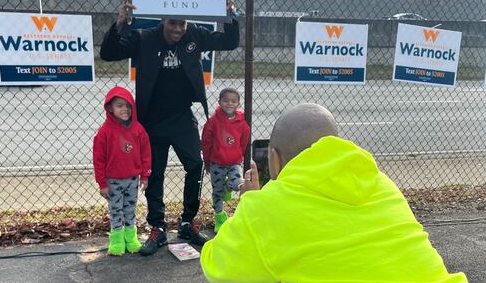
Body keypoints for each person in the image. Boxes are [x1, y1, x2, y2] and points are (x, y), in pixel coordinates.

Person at [200, 103, 467, 282]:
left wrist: (249, 203)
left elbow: (217, 269)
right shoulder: (381, 183)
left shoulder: (266, 207)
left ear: (274, 159)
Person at [100, 0, 240, 256]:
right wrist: (120, 23)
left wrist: (231, 15)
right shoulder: (145, 38)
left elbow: (230, 41)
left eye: (182, 24)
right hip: (151, 119)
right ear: (163, 20)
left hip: (181, 117)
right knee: (154, 172)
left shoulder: (194, 35)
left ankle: (187, 221)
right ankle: (157, 227)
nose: (177, 29)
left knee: (196, 165)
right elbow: (108, 53)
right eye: (173, 23)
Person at [93, 86, 151, 256]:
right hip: (113, 181)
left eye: (128, 106)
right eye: (119, 105)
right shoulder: (104, 132)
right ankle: (117, 240)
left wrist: (145, 175)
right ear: (110, 108)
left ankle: (130, 237)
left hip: (133, 179)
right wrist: (102, 183)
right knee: (116, 210)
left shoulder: (138, 130)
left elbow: (146, 154)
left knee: (130, 209)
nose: (124, 109)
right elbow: (98, 160)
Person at [201, 88, 250, 233]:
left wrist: (238, 155)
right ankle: (219, 217)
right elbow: (206, 142)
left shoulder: (242, 123)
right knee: (217, 191)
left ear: (238, 103)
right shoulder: (213, 122)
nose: (229, 103)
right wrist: (207, 161)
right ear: (220, 102)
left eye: (233, 101)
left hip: (234, 162)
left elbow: (244, 141)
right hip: (217, 163)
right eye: (226, 100)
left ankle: (228, 187)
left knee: (236, 184)